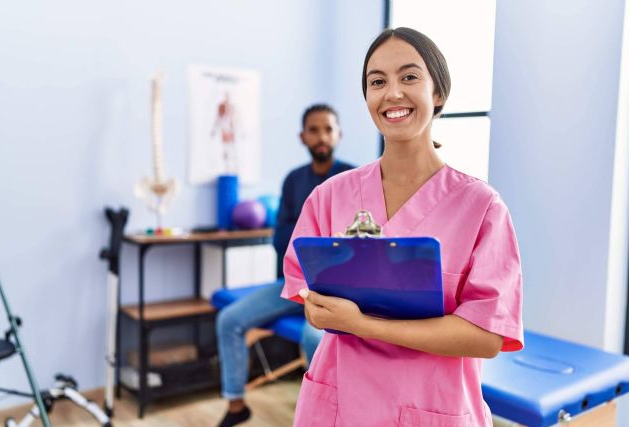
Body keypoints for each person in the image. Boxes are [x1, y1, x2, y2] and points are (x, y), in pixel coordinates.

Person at [281, 28, 523, 426]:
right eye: (377, 82)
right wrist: (320, 312)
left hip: (430, 406)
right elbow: (306, 298)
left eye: (409, 77)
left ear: (438, 93)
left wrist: (360, 324)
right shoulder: (329, 197)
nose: (392, 93)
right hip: (339, 402)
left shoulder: (481, 207)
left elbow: (487, 337)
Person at [216, 104, 355, 427]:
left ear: (338, 134)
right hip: (293, 284)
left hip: (333, 291)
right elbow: (281, 238)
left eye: (328, 129)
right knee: (229, 320)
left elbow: (353, 245)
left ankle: (323, 417)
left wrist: (310, 244)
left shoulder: (353, 178)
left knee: (313, 338)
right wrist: (316, 245)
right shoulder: (294, 180)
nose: (321, 137)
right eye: (314, 130)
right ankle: (236, 407)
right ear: (302, 136)